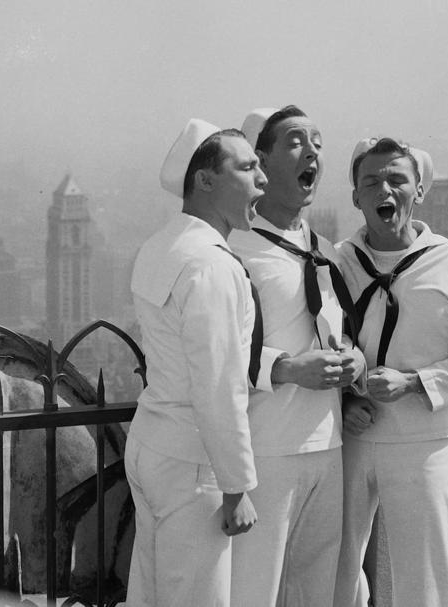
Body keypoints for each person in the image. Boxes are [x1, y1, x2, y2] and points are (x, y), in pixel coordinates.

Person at [333, 137, 448, 607]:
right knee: (333, 567)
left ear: (420, 190)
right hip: (348, 439)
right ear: (356, 197)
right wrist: (345, 400)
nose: (384, 190)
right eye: (371, 181)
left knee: (426, 574)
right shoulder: (335, 261)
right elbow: (321, 341)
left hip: (423, 441)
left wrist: (413, 383)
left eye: (396, 179)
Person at [225, 106, 365, 607]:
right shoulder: (235, 251)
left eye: (318, 143)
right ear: (260, 161)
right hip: (266, 447)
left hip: (327, 444)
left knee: (317, 589)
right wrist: (285, 369)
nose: (312, 152)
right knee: (253, 590)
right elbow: (218, 351)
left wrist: (354, 362)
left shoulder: (324, 251)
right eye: (295, 141)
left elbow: (339, 330)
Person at [125, 118, 267, 607]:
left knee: (151, 592)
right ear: (205, 180)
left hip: (152, 444)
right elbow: (219, 385)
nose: (262, 179)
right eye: (246, 168)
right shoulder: (211, 264)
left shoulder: (161, 245)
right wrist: (237, 487)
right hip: (193, 461)